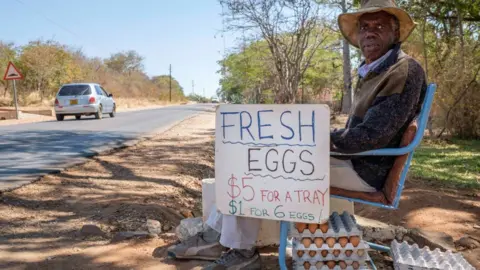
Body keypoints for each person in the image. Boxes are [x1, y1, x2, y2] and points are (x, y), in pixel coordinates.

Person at [168, 0, 426, 269]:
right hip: (357, 158)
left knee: (255, 169)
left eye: (380, 26)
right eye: (364, 27)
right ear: (358, 34)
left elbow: (373, 135)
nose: (370, 32)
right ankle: (219, 238)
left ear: (395, 33)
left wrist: (315, 141)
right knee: (250, 159)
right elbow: (359, 133)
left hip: (367, 168)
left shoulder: (402, 69)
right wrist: (312, 139)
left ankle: (239, 252)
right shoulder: (377, 68)